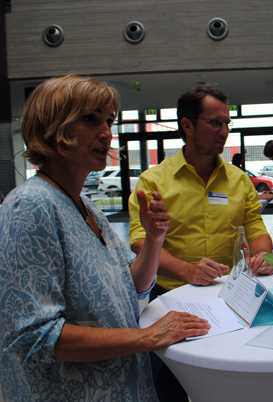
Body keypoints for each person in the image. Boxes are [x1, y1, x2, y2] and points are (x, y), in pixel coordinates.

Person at [0, 75, 209, 402]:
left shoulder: (87, 207)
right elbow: (34, 336)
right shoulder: (31, 207)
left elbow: (133, 286)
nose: (106, 132)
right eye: (90, 119)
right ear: (56, 126)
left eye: (109, 121)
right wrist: (146, 337)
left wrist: (155, 239)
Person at [128, 84, 273, 401]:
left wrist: (262, 255)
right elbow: (140, 240)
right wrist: (187, 270)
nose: (224, 131)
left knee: (229, 378)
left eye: (227, 123)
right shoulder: (154, 181)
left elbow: (256, 228)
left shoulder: (239, 180)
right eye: (215, 123)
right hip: (169, 298)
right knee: (171, 385)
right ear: (187, 126)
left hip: (231, 297)